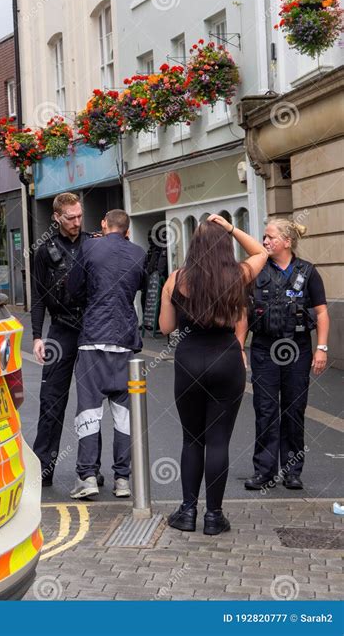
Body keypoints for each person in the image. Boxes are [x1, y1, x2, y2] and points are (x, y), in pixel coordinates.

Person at [159, 214, 268, 535]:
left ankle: (188, 511)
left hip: (189, 360)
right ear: (225, 246)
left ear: (194, 246)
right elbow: (262, 253)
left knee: (192, 439)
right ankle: (214, 517)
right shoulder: (237, 275)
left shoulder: (175, 278)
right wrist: (232, 228)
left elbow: (166, 327)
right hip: (226, 360)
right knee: (218, 440)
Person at [243, 219, 329, 491]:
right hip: (264, 349)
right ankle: (264, 471)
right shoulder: (257, 269)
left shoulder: (308, 272)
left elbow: (322, 312)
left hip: (297, 349)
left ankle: (292, 471)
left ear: (287, 241)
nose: (265, 242)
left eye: (270, 238)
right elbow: (243, 313)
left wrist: (322, 348)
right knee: (265, 410)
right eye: (264, 237)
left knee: (294, 410)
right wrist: (238, 347)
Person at [67, 209, 147, 499]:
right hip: (125, 343)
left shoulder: (89, 247)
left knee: (89, 411)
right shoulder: (139, 253)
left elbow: (73, 289)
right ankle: (123, 480)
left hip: (93, 341)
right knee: (124, 415)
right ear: (127, 229)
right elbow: (140, 288)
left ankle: (88, 476)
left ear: (104, 224)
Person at [31, 192, 102, 487]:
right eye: (70, 217)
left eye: (79, 216)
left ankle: (90, 469)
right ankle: (43, 467)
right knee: (50, 401)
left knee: (91, 403)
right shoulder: (44, 251)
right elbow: (37, 296)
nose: (76, 222)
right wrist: (37, 336)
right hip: (60, 330)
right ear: (57, 217)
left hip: (89, 329)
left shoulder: (94, 244)